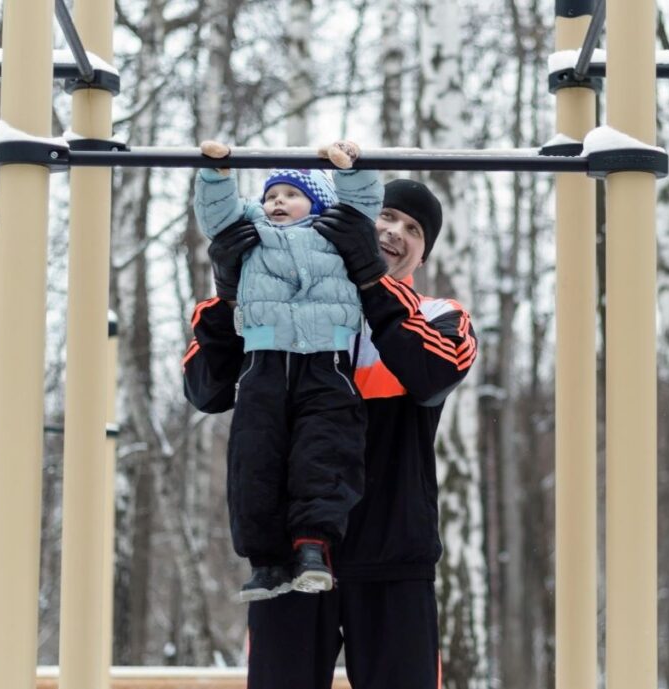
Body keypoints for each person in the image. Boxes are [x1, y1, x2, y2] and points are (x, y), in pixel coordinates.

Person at [182, 178, 477, 688]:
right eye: (385, 217)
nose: (394, 232)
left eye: (413, 230)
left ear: (423, 256)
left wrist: (368, 278)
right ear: (351, 217)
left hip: (393, 559)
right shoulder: (270, 307)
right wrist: (230, 295)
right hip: (291, 560)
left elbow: (431, 376)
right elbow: (205, 390)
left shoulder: (439, 317)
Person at [193, 140, 384, 602]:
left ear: (317, 202)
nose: (277, 202)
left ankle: (313, 546)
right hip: (264, 361)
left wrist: (348, 167)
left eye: (290, 195)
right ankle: (266, 561)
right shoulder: (253, 232)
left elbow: (362, 204)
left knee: (323, 453)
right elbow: (217, 217)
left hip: (326, 362)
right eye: (271, 195)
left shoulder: (335, 232)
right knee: (256, 457)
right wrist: (217, 174)